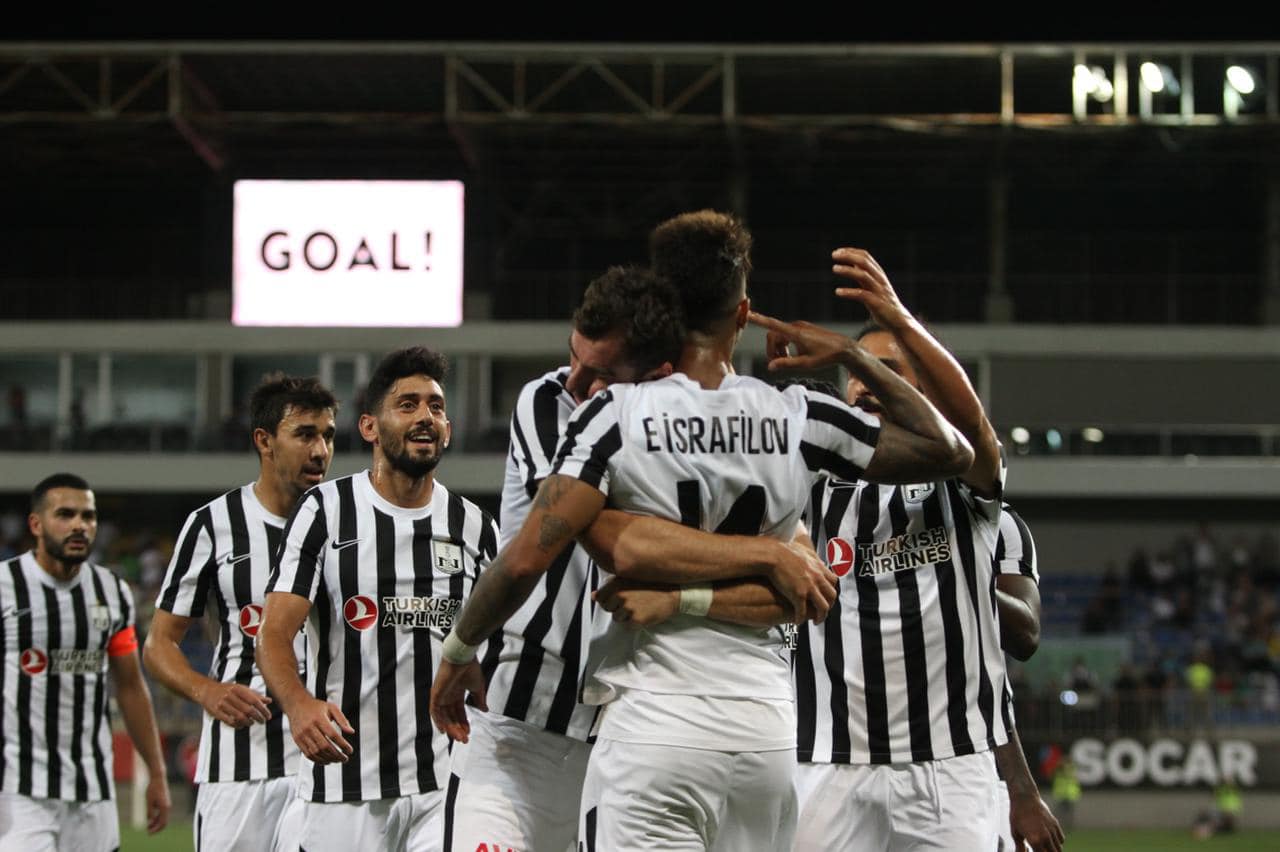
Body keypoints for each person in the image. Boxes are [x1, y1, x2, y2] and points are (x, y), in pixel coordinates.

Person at [432, 211, 973, 851]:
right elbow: (950, 450)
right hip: (766, 733)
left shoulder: (616, 416)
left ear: (660, 307)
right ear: (743, 313)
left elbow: (536, 558)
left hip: (654, 724)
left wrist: (458, 650)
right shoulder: (798, 415)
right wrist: (852, 354)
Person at [446, 266, 830, 852]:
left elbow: (804, 585)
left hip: (631, 722)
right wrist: (764, 553)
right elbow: (587, 531)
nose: (575, 382)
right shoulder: (549, 402)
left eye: (600, 373)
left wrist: (692, 593)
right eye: (573, 356)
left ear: (655, 377)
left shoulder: (671, 429)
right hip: (523, 721)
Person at [787, 248, 1062, 852]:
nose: (865, 383)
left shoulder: (965, 488)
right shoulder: (809, 487)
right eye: (855, 370)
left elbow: (975, 434)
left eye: (887, 369)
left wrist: (898, 320)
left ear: (920, 388)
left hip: (950, 765)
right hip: (826, 759)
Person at [258, 347, 498, 852]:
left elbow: (501, 644)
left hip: (446, 785)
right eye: (407, 404)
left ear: (448, 430)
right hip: (345, 784)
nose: (425, 416)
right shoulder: (325, 511)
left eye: (435, 406)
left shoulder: (475, 527)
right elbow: (273, 633)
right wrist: (299, 706)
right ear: (369, 426)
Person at [143, 375, 338, 852]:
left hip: (326, 766)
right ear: (264, 441)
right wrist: (205, 690)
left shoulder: (347, 523)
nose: (320, 451)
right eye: (305, 434)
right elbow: (158, 644)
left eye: (328, 436)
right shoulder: (213, 524)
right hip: (238, 765)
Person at [0, 473, 170, 851]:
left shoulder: (112, 591)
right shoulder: (5, 586)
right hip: (19, 792)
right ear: (36, 524)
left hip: (93, 792)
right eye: (65, 514)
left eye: (88, 516)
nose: (79, 525)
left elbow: (130, 686)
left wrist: (157, 773)